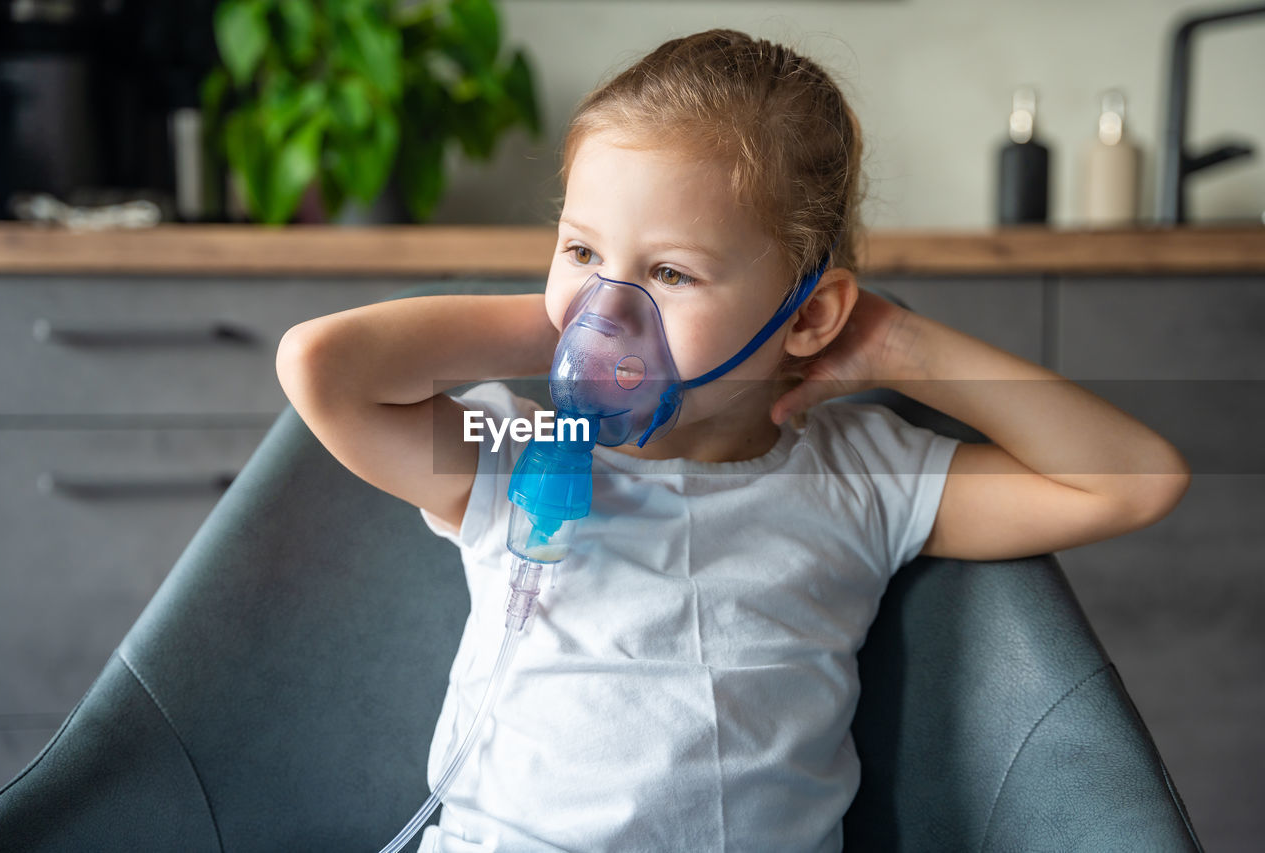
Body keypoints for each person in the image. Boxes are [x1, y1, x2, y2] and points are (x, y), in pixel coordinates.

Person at [276, 29, 1191, 853]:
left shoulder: (861, 476)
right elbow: (321, 366)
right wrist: (571, 327)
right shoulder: (509, 446)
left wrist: (895, 341)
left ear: (809, 313)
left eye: (670, 272)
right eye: (582, 251)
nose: (610, 309)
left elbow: (1132, 481)